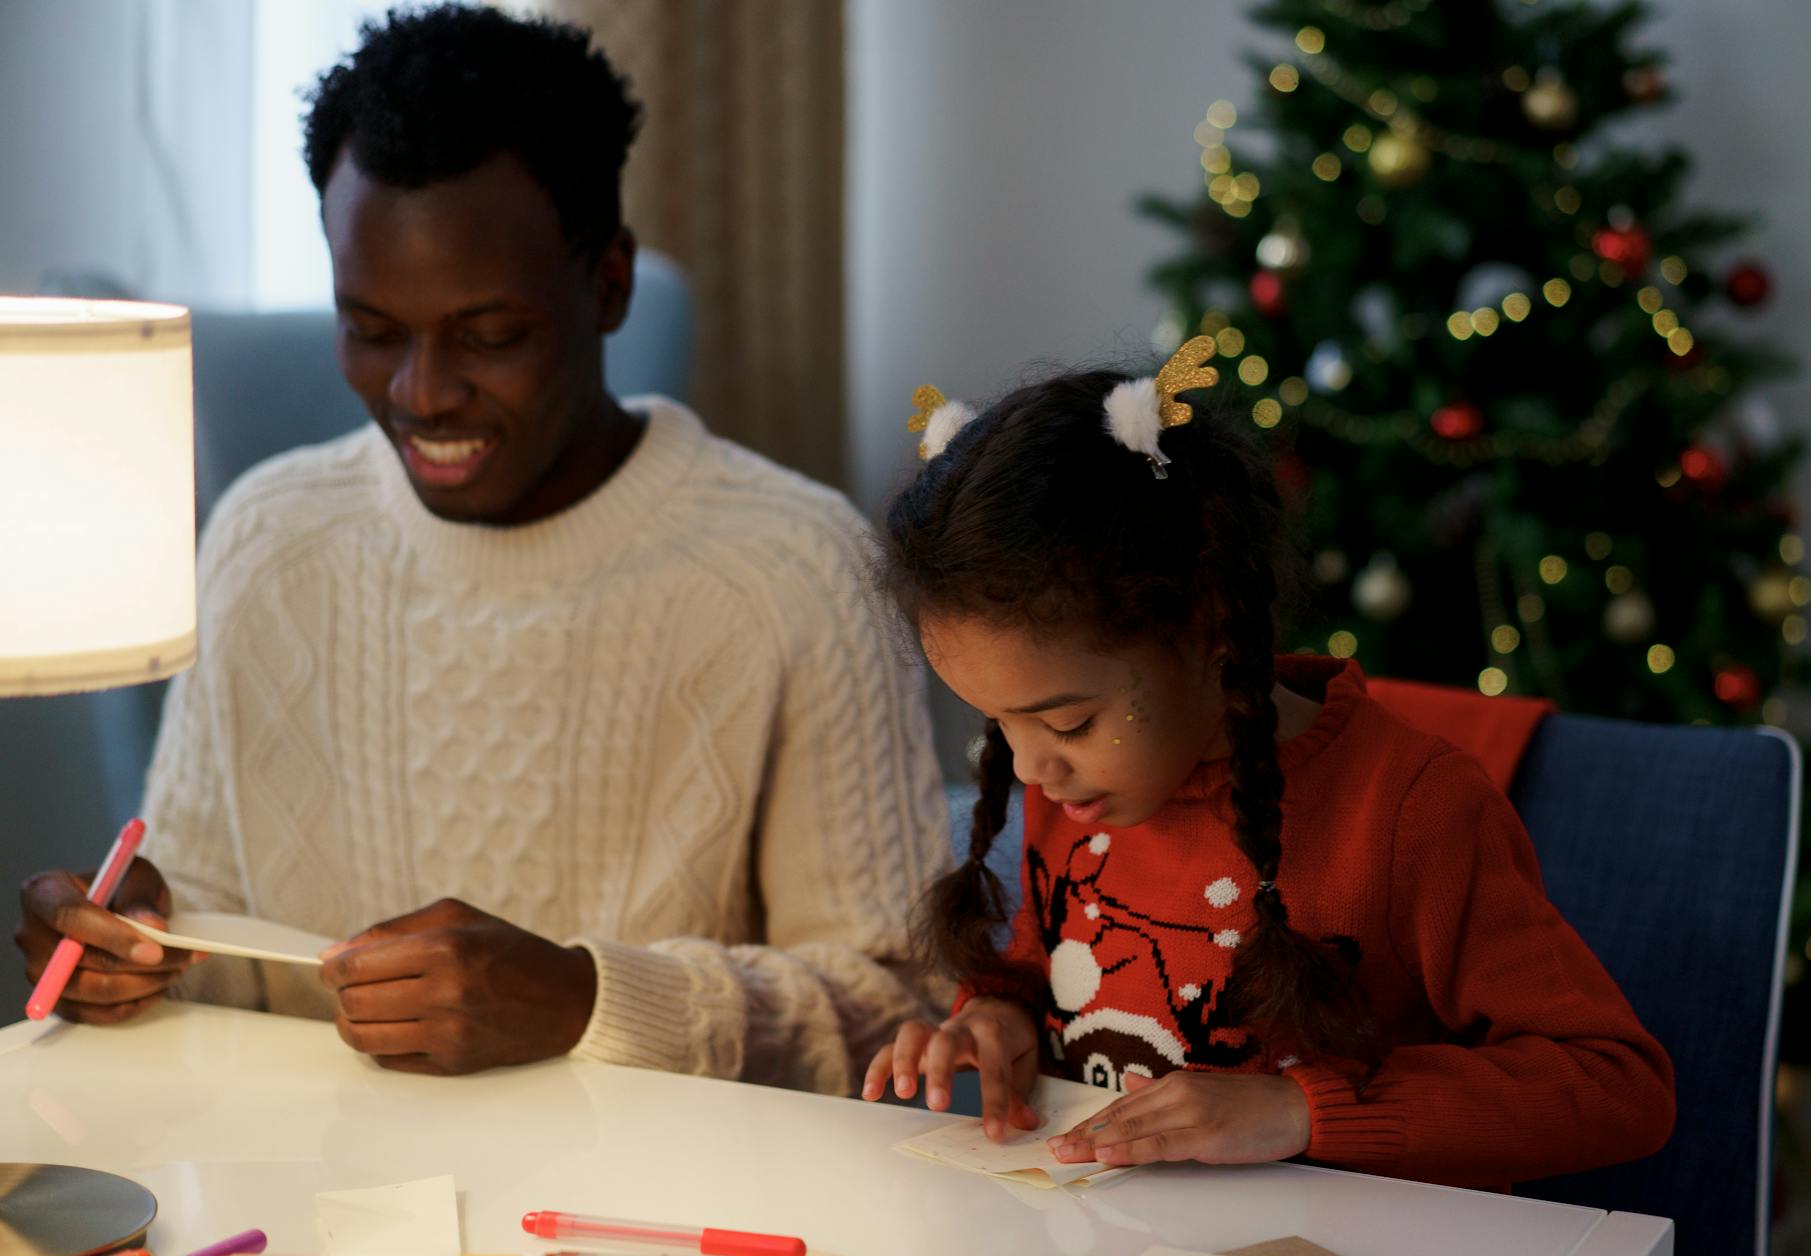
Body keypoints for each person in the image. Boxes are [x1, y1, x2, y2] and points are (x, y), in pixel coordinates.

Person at [14, 3, 950, 1089]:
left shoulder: (799, 570)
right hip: (315, 1222)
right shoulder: (266, 541)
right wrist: (130, 953)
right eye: (370, 329)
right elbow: (205, 938)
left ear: (609, 285)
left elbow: (903, 1009)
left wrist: (586, 997)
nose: (420, 392)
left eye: (489, 336)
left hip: (654, 1231)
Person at [859, 347, 1675, 1188]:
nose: (1033, 770)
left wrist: (1299, 1110)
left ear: (1210, 631)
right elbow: (1045, 978)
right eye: (1001, 725)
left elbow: (1616, 1085)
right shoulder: (1087, 791)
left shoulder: (1412, 811)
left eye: (1068, 720)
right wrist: (996, 1021)